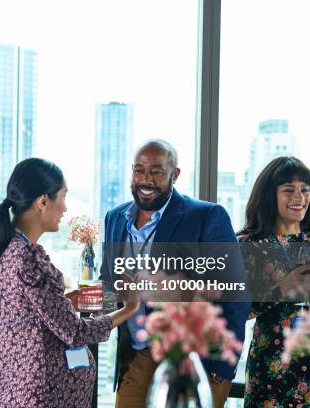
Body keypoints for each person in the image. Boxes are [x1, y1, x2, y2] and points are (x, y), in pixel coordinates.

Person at [0, 157, 141, 408]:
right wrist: (129, 309)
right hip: (40, 398)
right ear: (43, 202)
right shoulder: (29, 259)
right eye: (62, 197)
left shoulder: (6, 248)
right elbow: (76, 332)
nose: (64, 208)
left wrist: (62, 302)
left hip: (18, 395)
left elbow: (26, 315)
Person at [99, 139, 250, 408]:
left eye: (156, 171)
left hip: (191, 359)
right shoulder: (114, 217)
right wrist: (95, 303)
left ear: (174, 174)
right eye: (139, 170)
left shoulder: (206, 216)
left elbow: (235, 294)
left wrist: (222, 369)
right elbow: (109, 282)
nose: (145, 179)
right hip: (135, 357)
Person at [238, 156, 310, 407]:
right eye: (288, 190)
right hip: (272, 373)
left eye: (305, 190)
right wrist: (284, 287)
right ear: (269, 196)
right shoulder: (247, 245)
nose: (299, 197)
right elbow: (238, 309)